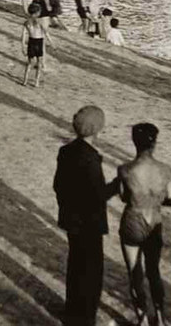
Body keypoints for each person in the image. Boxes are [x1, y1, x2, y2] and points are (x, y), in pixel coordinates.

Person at [53, 105, 118, 326]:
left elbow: (58, 185)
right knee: (91, 271)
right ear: (97, 130)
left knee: (75, 265)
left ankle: (71, 310)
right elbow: (99, 194)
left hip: (72, 220)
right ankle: (85, 316)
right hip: (89, 223)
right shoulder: (91, 158)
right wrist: (117, 184)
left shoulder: (66, 151)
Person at [115, 123, 171, 326]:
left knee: (135, 273)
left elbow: (124, 197)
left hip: (133, 220)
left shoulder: (124, 169)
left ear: (134, 142)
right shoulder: (165, 170)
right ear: (155, 143)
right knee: (153, 271)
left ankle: (142, 317)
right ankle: (160, 316)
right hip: (154, 220)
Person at [21, 2, 51, 86]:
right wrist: (52, 42)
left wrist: (23, 46)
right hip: (39, 41)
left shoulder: (27, 22)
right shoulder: (40, 22)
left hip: (31, 41)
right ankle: (36, 82)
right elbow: (46, 32)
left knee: (29, 62)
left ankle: (25, 80)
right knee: (39, 62)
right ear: (38, 13)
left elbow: (23, 35)